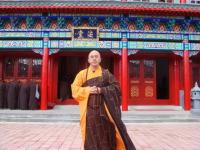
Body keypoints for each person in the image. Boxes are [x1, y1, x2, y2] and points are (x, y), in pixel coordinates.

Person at [71, 50, 136, 150]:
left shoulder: (106, 74)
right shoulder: (82, 74)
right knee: (91, 138)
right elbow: (74, 90)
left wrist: (101, 90)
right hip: (90, 113)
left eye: (96, 56)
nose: (94, 58)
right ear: (88, 60)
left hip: (106, 112)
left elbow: (116, 88)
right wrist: (88, 90)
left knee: (107, 136)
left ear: (100, 59)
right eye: (92, 57)